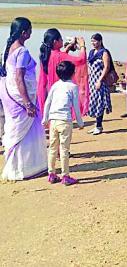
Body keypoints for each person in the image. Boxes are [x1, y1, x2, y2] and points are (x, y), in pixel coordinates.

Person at [0, 17, 48, 180]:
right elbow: (19, 78)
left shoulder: (10, 48)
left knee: (16, 130)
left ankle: (19, 167)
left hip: (10, 95)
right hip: (20, 98)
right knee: (25, 132)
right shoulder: (22, 51)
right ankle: (26, 169)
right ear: (24, 32)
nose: (31, 32)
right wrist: (27, 103)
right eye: (30, 29)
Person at [42, 61, 84, 186]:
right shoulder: (73, 87)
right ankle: (65, 175)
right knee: (64, 149)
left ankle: (51, 174)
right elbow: (76, 106)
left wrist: (45, 119)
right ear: (72, 73)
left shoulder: (55, 85)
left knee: (52, 148)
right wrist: (80, 122)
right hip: (65, 121)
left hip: (53, 121)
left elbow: (47, 102)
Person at [37, 28, 88, 118]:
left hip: (50, 90)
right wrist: (82, 46)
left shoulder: (45, 55)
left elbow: (59, 57)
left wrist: (68, 48)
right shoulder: (60, 56)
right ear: (55, 41)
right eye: (60, 39)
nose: (62, 40)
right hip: (62, 92)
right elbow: (81, 60)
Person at [87, 33, 112, 135]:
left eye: (95, 41)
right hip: (92, 80)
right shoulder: (92, 52)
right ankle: (96, 125)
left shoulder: (104, 53)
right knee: (93, 102)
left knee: (100, 103)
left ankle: (99, 126)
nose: (93, 43)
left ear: (100, 41)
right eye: (92, 41)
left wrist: (100, 80)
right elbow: (89, 65)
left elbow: (106, 67)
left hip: (100, 81)